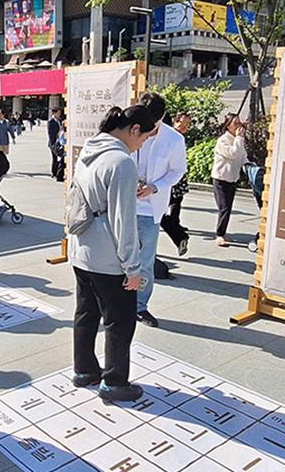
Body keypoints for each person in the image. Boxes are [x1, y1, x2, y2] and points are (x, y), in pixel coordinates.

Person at [68, 105, 159, 402]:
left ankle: (84, 371)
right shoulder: (121, 162)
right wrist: (133, 268)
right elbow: (123, 221)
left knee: (86, 313)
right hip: (109, 258)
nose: (141, 145)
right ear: (133, 130)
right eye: (143, 138)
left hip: (82, 250)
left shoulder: (88, 151)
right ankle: (115, 381)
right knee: (120, 321)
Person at [131, 94, 187, 328]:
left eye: (152, 124)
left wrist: (155, 187)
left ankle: (140, 306)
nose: (147, 129)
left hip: (150, 209)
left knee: (145, 262)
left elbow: (177, 171)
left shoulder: (173, 139)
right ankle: (116, 303)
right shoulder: (128, 129)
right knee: (117, 257)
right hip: (123, 205)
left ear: (162, 117)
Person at [211, 113, 247, 247]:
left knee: (228, 207)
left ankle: (223, 233)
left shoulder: (238, 139)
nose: (238, 125)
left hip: (232, 178)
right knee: (224, 208)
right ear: (228, 125)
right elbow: (233, 153)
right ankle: (219, 235)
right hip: (221, 178)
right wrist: (239, 138)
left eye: (239, 122)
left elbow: (242, 155)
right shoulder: (223, 140)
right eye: (235, 123)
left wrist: (248, 164)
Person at [160, 112, 193, 257]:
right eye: (182, 124)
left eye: (187, 125)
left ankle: (179, 235)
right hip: (166, 182)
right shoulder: (171, 137)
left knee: (165, 213)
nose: (185, 127)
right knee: (163, 214)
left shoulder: (175, 138)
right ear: (175, 122)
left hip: (172, 182)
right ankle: (179, 235)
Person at [47, 107, 64, 176]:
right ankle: (54, 172)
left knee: (59, 157)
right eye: (58, 113)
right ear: (54, 113)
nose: (59, 114)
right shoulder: (51, 121)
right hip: (53, 142)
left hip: (60, 141)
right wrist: (53, 143)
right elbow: (50, 133)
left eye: (60, 113)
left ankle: (57, 171)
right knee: (55, 158)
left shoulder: (59, 120)